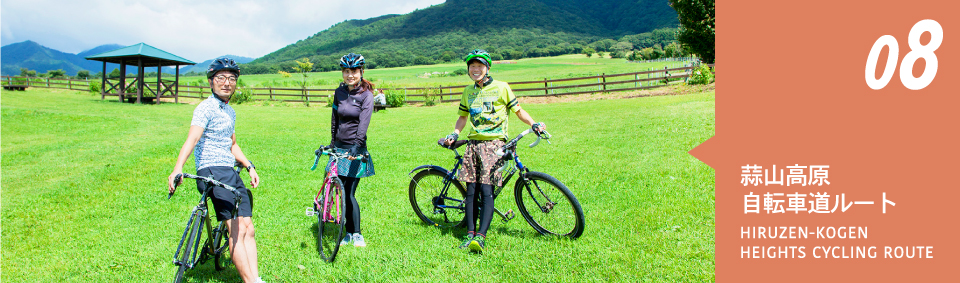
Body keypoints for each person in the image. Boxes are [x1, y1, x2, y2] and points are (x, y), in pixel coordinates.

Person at [167, 57, 265, 283]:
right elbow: (192, 138)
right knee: (237, 229)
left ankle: (256, 278)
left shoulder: (230, 112)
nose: (227, 83)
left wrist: (249, 166)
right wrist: (177, 168)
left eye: (232, 78)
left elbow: (232, 144)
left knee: (248, 228)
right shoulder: (205, 108)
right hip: (211, 170)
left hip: (229, 170)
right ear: (211, 81)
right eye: (221, 78)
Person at [444, 49, 545, 253]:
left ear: (488, 68)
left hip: (495, 144)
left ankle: (481, 236)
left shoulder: (502, 87)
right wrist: (455, 133)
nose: (475, 69)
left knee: (487, 190)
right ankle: (470, 233)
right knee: (471, 190)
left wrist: (534, 124)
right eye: (472, 66)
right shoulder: (468, 91)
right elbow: (463, 117)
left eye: (480, 66)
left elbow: (518, 110)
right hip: (473, 144)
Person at [322, 53, 376, 247]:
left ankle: (357, 233)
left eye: (353, 71)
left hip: (356, 150)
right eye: (346, 71)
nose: (350, 75)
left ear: (361, 72)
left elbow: (364, 123)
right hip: (339, 148)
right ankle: (347, 233)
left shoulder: (366, 96)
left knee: (349, 192)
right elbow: (335, 118)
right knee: (341, 191)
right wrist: (332, 142)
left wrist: (356, 146)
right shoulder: (339, 92)